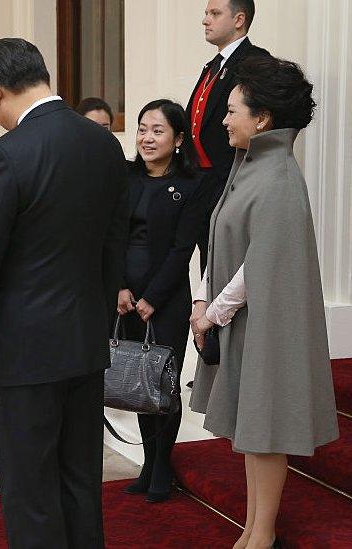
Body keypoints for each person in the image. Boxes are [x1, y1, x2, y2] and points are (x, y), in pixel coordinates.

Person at [0, 38, 130, 549]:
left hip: (22, 351)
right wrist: (96, 320)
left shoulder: (6, 155)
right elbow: (113, 244)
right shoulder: (104, 144)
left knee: (29, 488)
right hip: (84, 341)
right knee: (79, 479)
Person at [188, 56, 339, 549]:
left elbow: (260, 265)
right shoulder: (250, 167)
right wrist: (206, 299)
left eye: (233, 111)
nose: (225, 120)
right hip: (248, 321)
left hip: (266, 323)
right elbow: (224, 240)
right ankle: (252, 530)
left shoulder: (276, 177)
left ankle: (261, 535)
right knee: (252, 432)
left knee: (265, 430)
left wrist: (214, 312)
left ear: (264, 119)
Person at [116, 100, 210, 503]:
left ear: (178, 139)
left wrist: (153, 296)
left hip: (166, 299)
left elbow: (181, 248)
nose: (146, 137)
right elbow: (110, 237)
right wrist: (119, 288)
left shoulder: (192, 184)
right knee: (137, 382)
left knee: (162, 383)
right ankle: (148, 462)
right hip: (124, 297)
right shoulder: (123, 177)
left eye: (157, 130)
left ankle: (161, 465)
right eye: (141, 129)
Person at [186, 0, 270, 271]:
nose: (205, 20)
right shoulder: (213, 65)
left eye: (214, 13)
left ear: (238, 19)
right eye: (206, 13)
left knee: (227, 265)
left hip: (232, 178)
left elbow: (262, 124)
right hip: (203, 181)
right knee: (207, 263)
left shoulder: (255, 61)